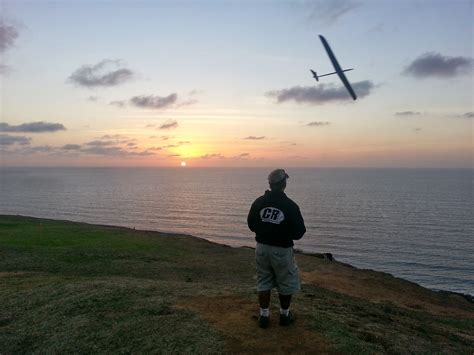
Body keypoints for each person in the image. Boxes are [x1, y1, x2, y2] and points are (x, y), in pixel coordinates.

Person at [247, 169, 306, 328]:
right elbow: (299, 232)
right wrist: (282, 233)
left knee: (263, 281)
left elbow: (251, 225)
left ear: (270, 184)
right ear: (283, 184)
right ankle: (284, 316)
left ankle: (264, 316)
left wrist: (265, 231)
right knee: (285, 282)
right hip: (282, 249)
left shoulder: (258, 202)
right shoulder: (290, 205)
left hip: (262, 248)